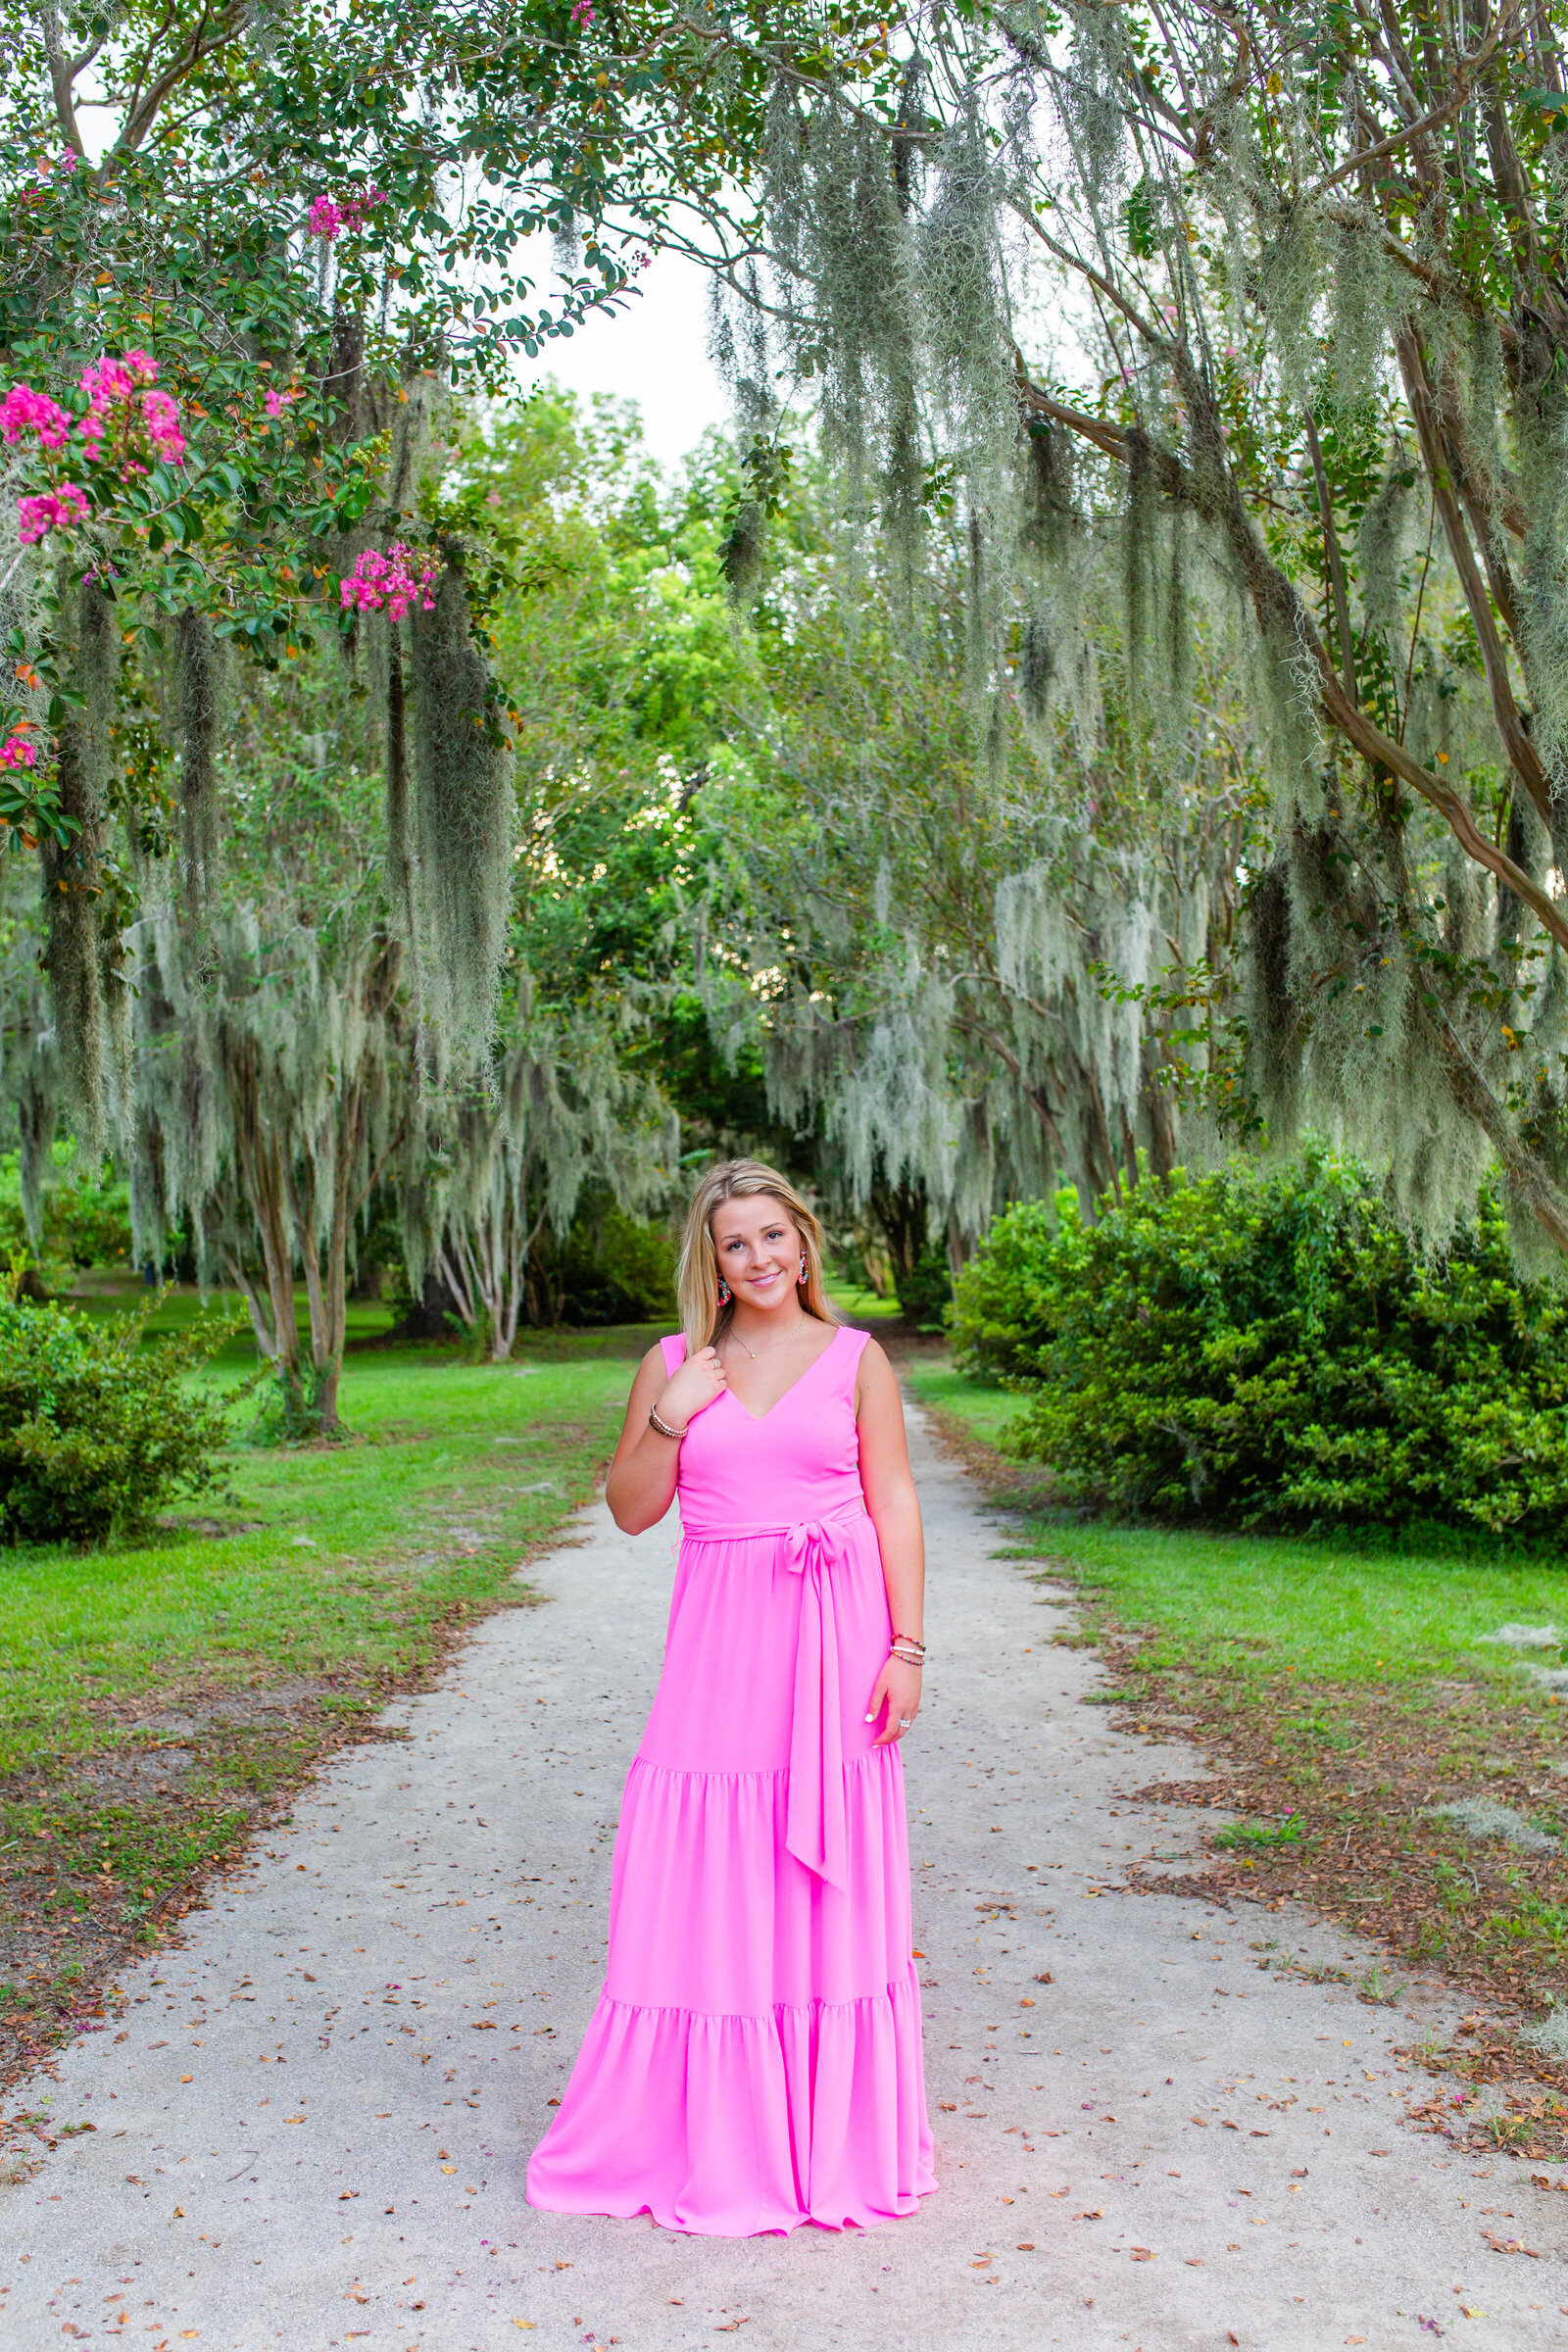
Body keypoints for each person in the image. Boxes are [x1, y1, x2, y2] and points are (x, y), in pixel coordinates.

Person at [525, 1157, 937, 2235]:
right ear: (710, 1263)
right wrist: (670, 1415)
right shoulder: (672, 1363)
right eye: (734, 1244)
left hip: (837, 1640)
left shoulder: (857, 1360)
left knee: (823, 1872)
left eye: (772, 1236)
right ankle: (713, 2131)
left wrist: (907, 1646)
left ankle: (827, 2141)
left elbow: (892, 1497)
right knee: (706, 1855)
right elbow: (628, 1511)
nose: (757, 1258)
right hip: (718, 1649)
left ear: (804, 1243)